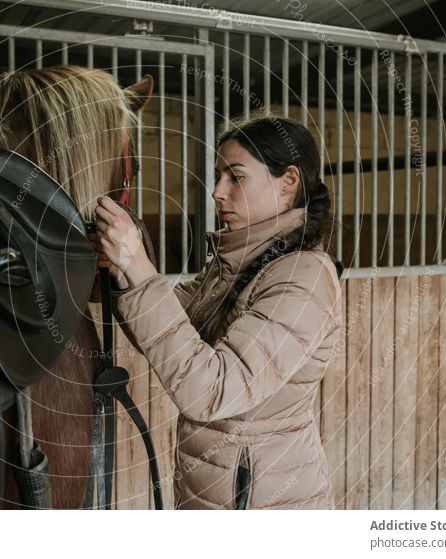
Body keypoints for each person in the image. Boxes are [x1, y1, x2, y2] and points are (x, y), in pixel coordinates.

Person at [93, 113, 343, 509]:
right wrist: (127, 273)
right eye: (217, 176)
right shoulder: (233, 263)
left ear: (288, 182)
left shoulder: (303, 277)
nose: (217, 192)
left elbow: (211, 391)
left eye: (236, 177)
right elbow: (172, 328)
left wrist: (140, 266)